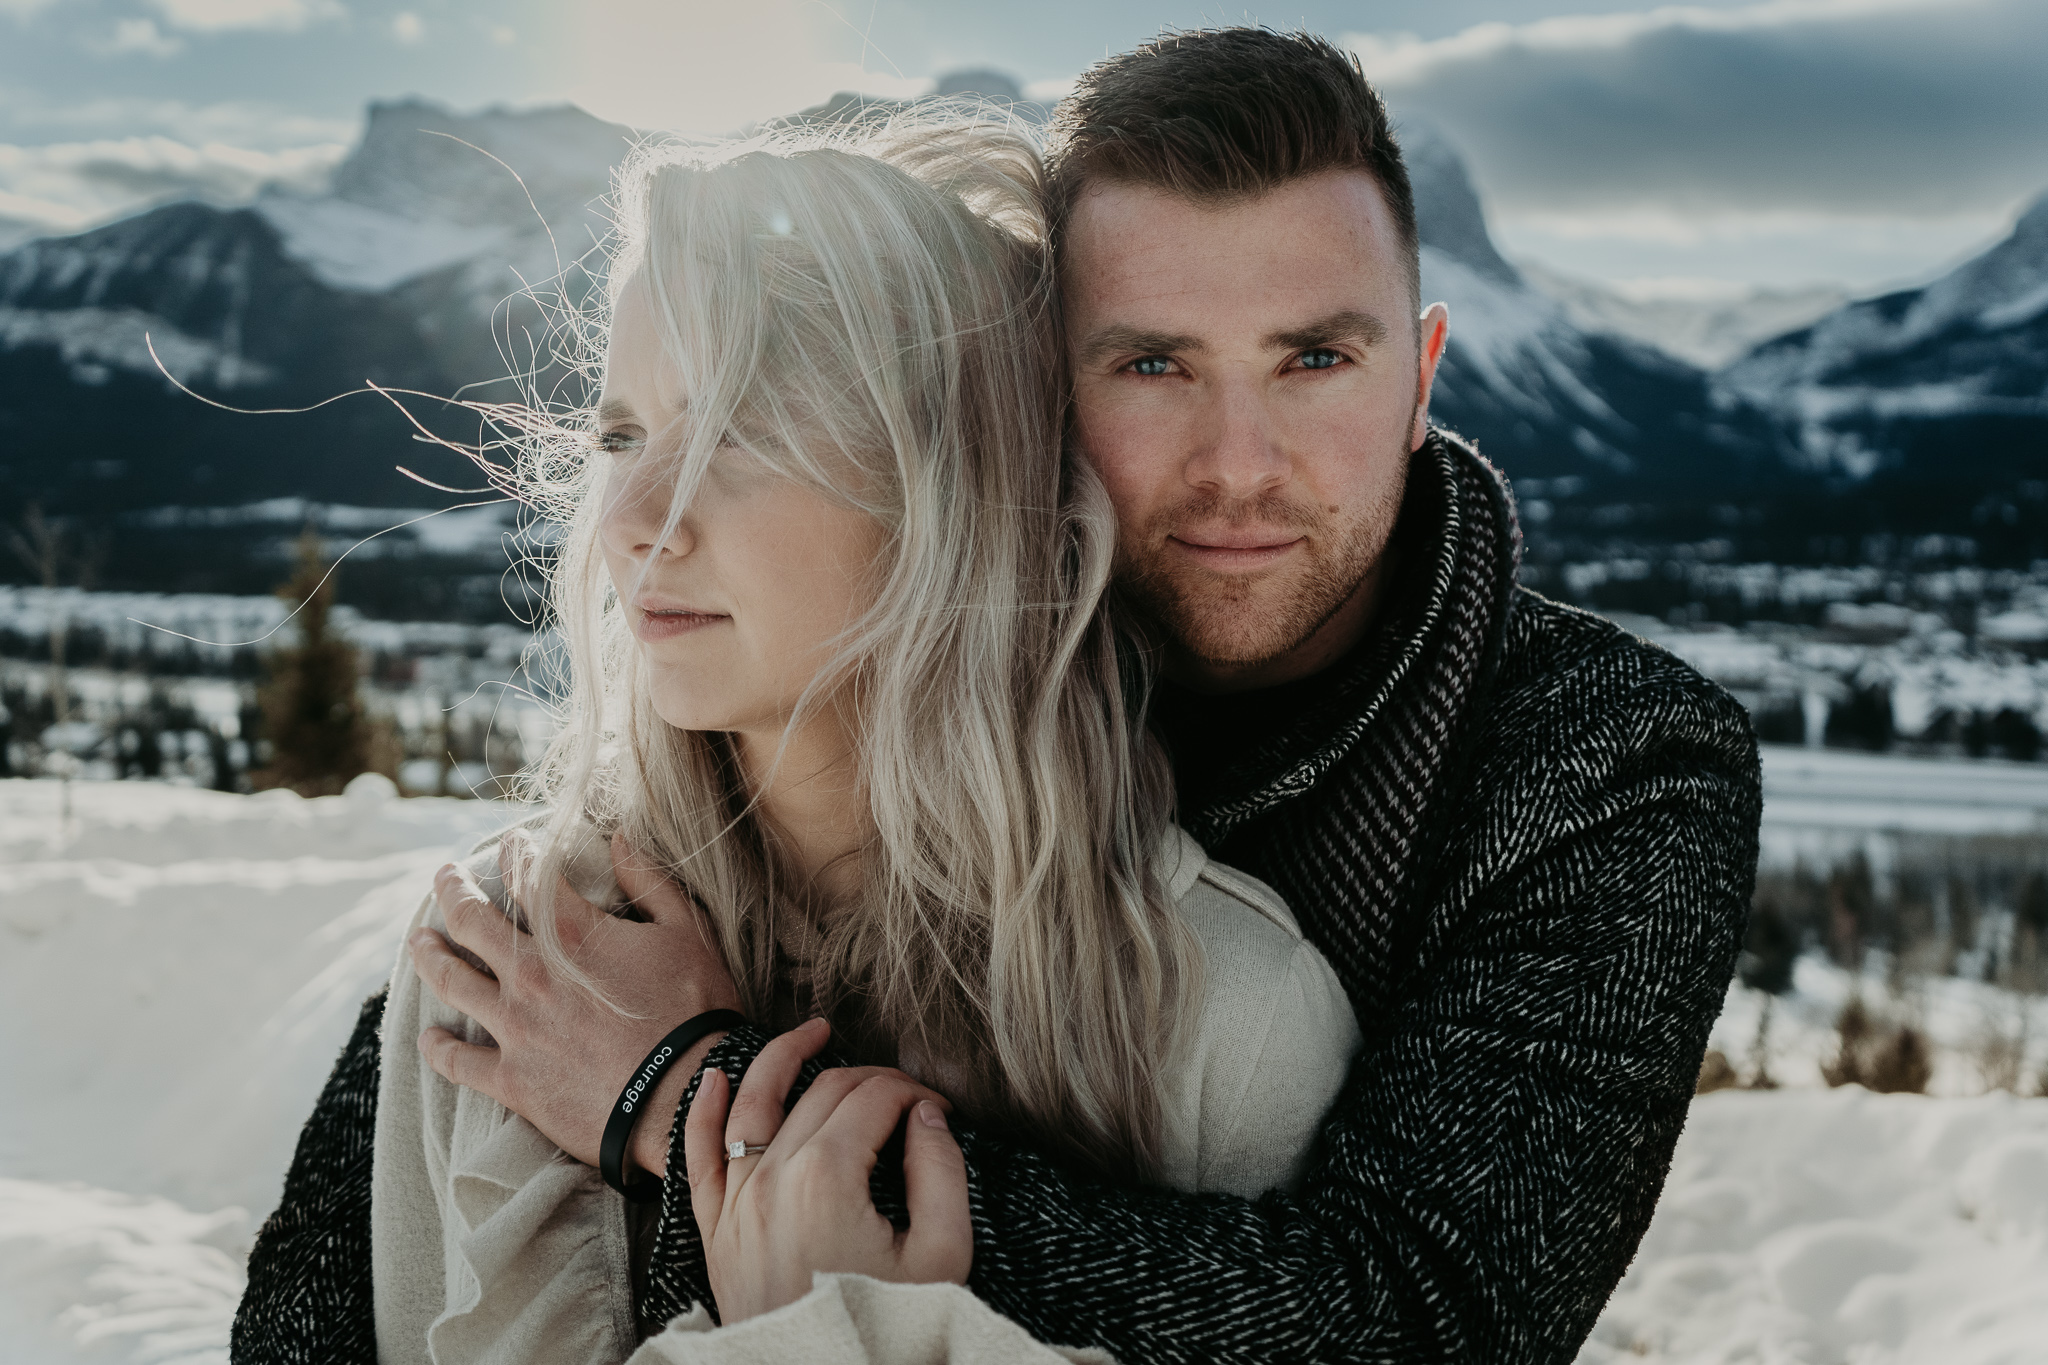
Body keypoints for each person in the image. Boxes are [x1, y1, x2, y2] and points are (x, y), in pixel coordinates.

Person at [233, 28, 1762, 1365]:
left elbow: (1418, 1319)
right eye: (1154, 362)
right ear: (1023, 402)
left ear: (1421, 374)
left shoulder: (1603, 758)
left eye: (1315, 356)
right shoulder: (642, 846)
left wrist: (700, 1102)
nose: (1238, 463)